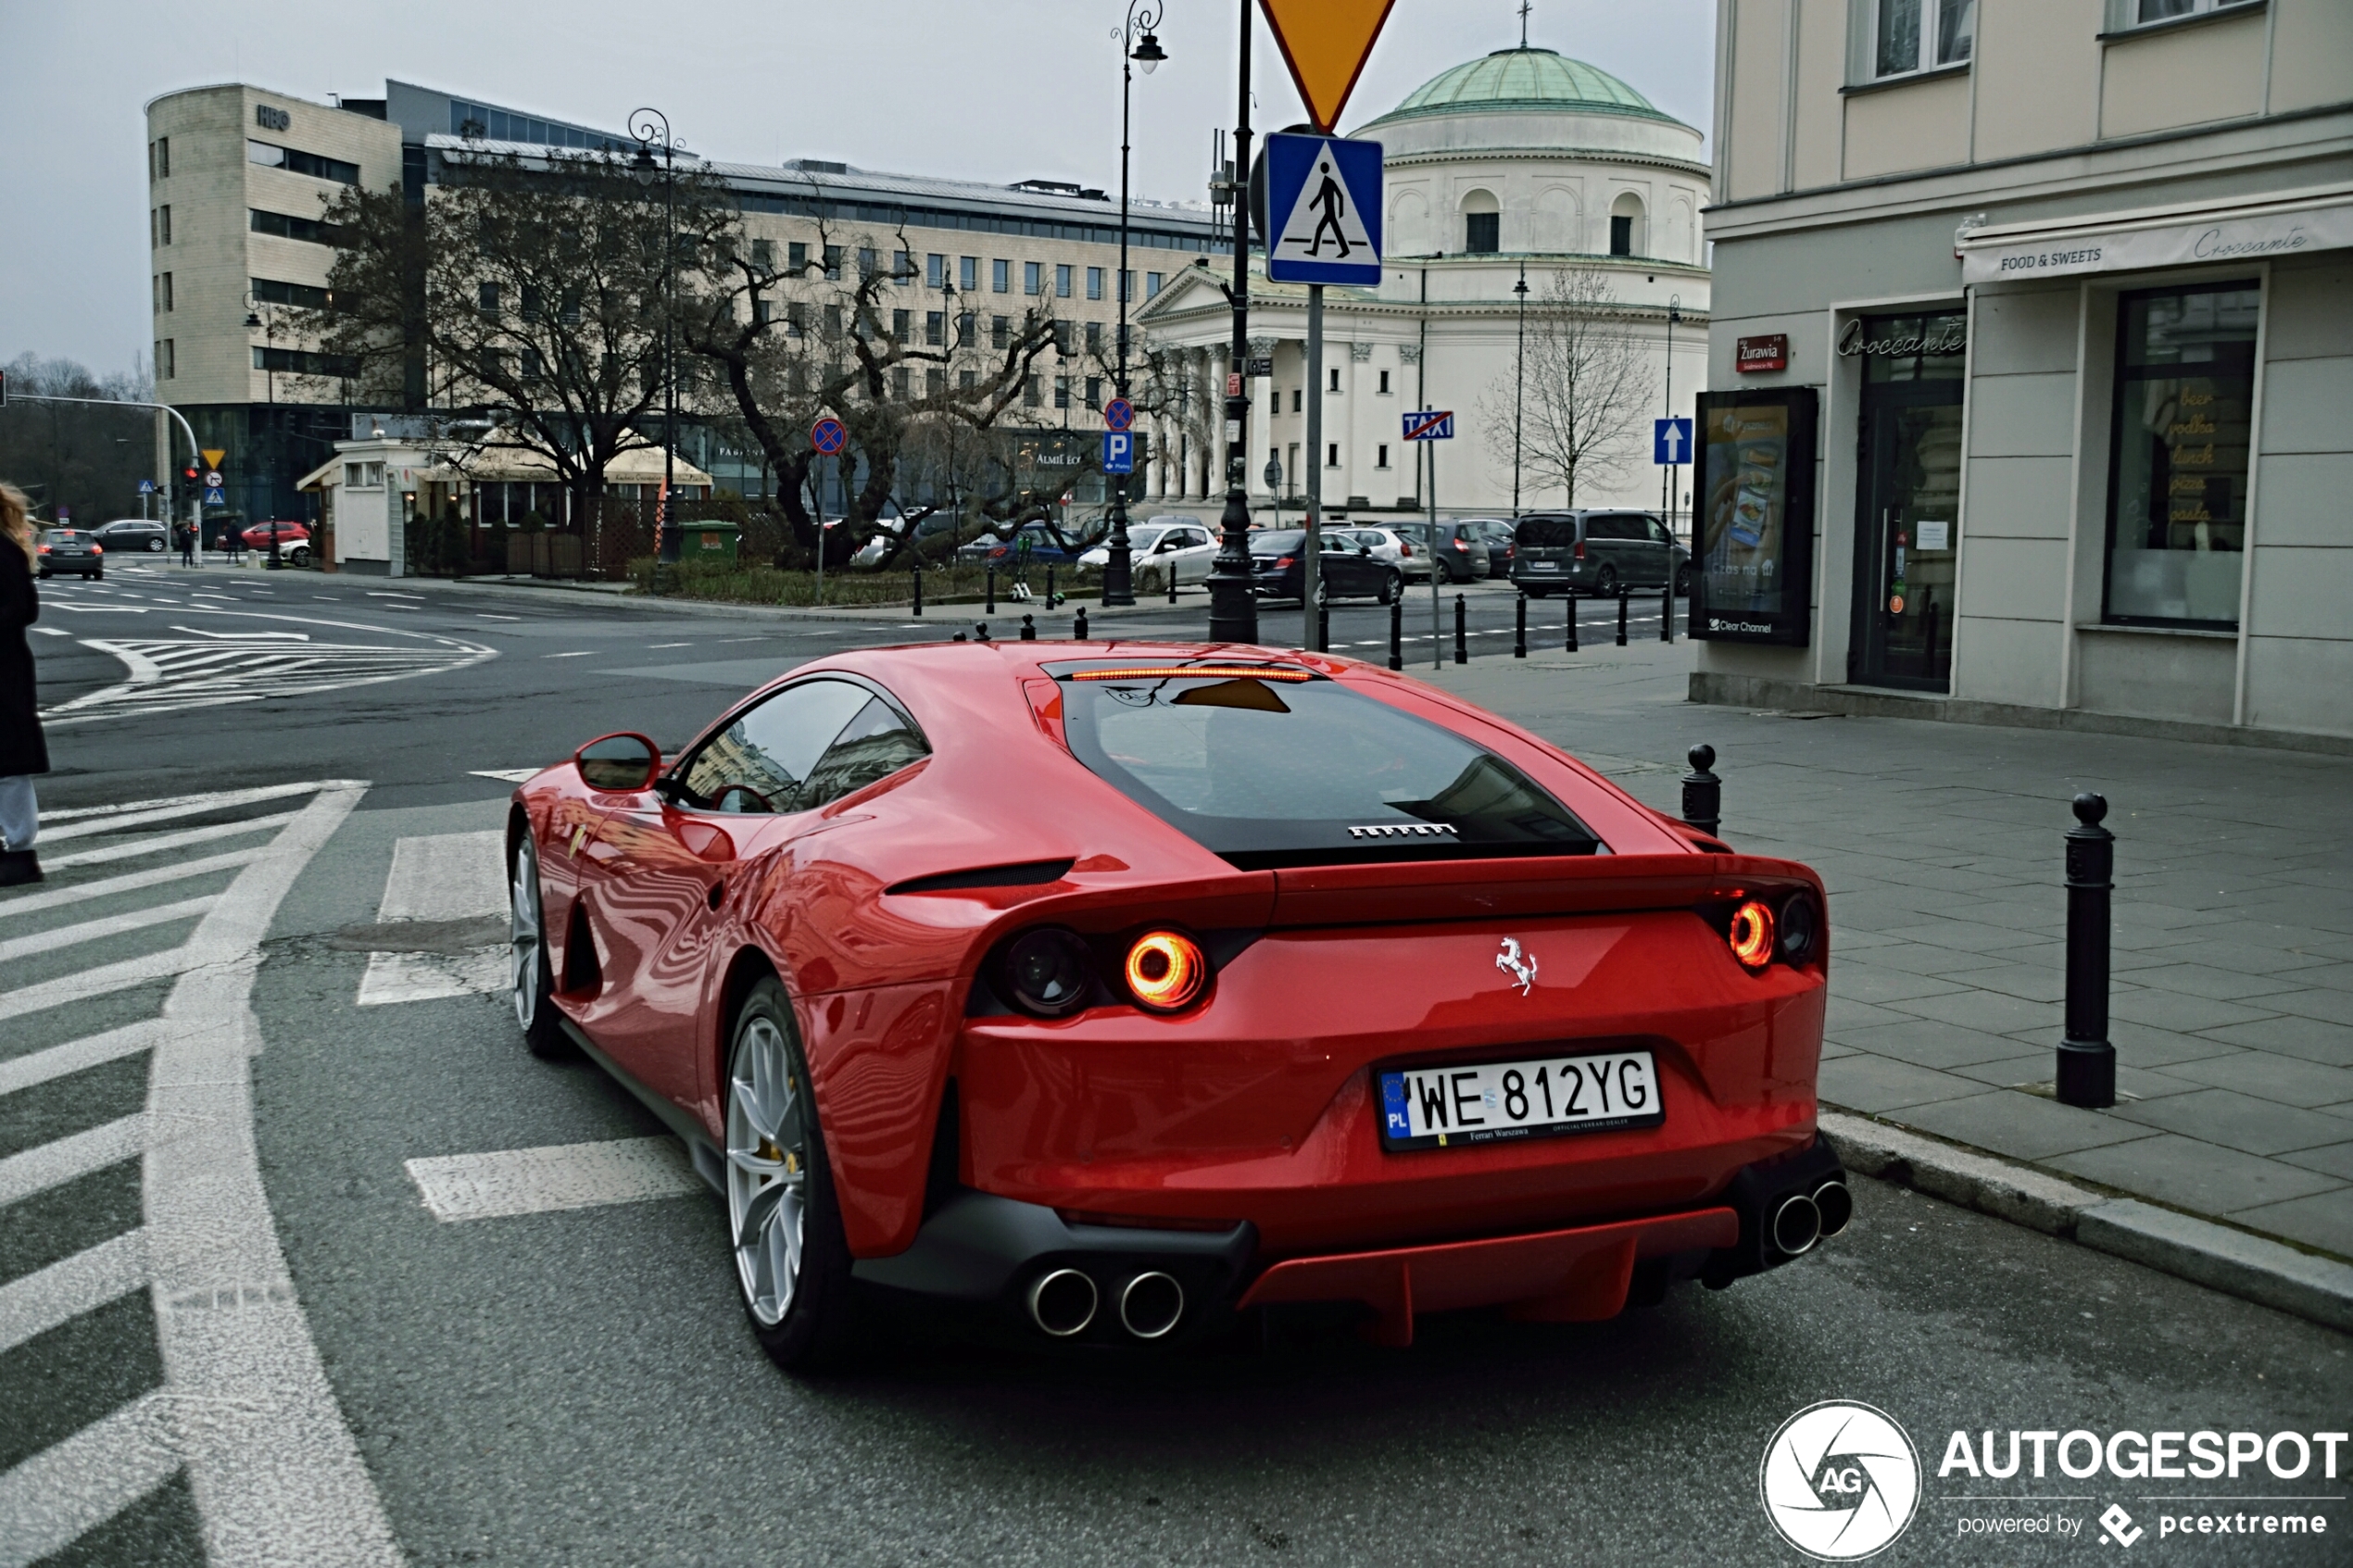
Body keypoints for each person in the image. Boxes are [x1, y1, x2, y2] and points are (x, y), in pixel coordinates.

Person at [0, 482, 49, 885]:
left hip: (3, 669)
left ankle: (20, 852)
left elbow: (22, 609)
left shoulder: (4, 552)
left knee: (10, 762)